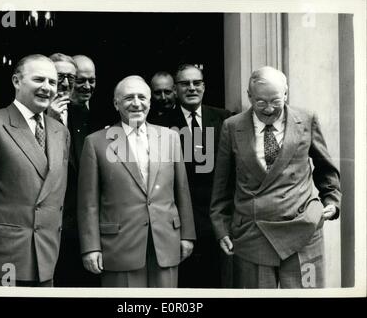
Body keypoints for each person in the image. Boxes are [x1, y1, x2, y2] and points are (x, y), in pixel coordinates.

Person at [210, 66, 341, 288]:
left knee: (305, 295)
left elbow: (325, 168)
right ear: (249, 96)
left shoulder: (306, 119)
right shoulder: (232, 127)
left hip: (302, 231)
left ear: (286, 93)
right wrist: (221, 227)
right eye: (260, 102)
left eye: (276, 100)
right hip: (252, 235)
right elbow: (222, 183)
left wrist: (332, 200)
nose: (269, 109)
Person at [77, 75, 196, 287]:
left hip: (166, 241)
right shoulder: (95, 142)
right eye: (128, 98)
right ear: (116, 103)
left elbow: (182, 191)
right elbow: (89, 203)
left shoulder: (170, 137)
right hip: (119, 245)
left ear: (150, 102)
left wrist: (188, 234)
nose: (136, 103)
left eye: (142, 97)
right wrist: (91, 247)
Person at [0, 54, 70, 287]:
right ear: (16, 81)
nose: (47, 88)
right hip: (4, 257)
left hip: (46, 256)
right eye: (39, 80)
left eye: (52, 82)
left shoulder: (60, 131)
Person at [157, 64, 232, 288]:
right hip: (181, 221)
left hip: (219, 220)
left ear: (204, 87)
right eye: (184, 84)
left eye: (196, 83)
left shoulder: (224, 119)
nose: (191, 88)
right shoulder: (161, 124)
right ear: (176, 89)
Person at [48, 53, 99, 287]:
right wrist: (50, 121)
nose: (66, 85)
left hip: (77, 228)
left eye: (71, 78)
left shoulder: (85, 116)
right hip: (44, 227)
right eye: (59, 78)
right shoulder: (31, 118)